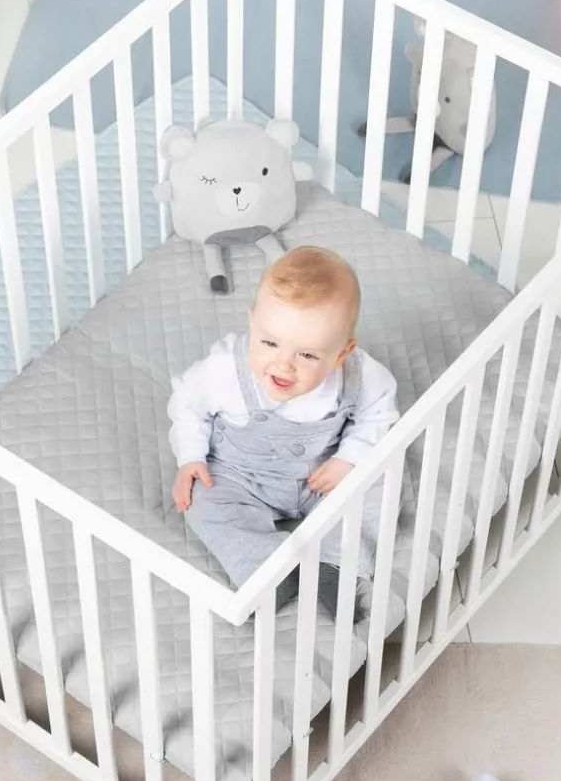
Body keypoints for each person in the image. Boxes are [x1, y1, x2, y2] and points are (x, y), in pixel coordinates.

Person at [167, 246, 399, 621]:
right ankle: (269, 569)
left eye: (307, 355)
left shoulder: (360, 374)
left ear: (342, 353)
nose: (283, 364)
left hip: (321, 476)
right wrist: (190, 456)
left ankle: (336, 565)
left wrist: (349, 459)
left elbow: (377, 413)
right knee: (201, 501)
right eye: (270, 343)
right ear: (252, 322)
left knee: (379, 481)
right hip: (241, 476)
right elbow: (187, 404)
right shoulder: (224, 370)